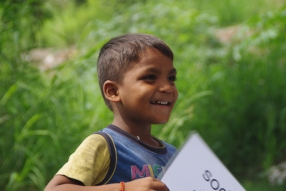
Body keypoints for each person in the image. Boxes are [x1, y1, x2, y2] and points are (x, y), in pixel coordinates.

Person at [44, 33, 178, 191]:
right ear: (113, 91)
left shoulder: (173, 155)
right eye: (150, 77)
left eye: (171, 78)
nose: (167, 87)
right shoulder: (104, 145)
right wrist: (124, 189)